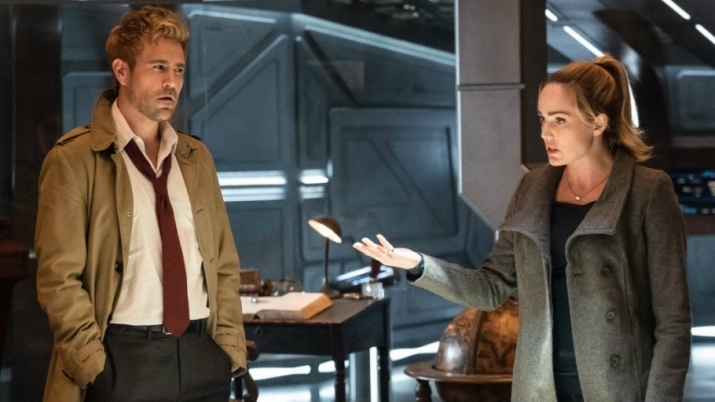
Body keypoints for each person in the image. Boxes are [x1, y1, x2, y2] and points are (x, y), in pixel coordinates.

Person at [354, 54, 691, 401]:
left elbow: (673, 323)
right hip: (540, 388)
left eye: (559, 120)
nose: (545, 132)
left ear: (598, 123)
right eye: (543, 119)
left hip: (621, 389)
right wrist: (418, 264)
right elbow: (491, 287)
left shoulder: (648, 191)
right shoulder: (532, 188)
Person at [34, 6, 246, 402]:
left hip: (201, 356)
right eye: (158, 67)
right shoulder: (74, 160)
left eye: (178, 70)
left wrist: (228, 351)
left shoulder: (195, 159)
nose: (171, 82)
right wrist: (95, 367)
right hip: (124, 361)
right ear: (122, 71)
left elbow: (224, 264)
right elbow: (57, 280)